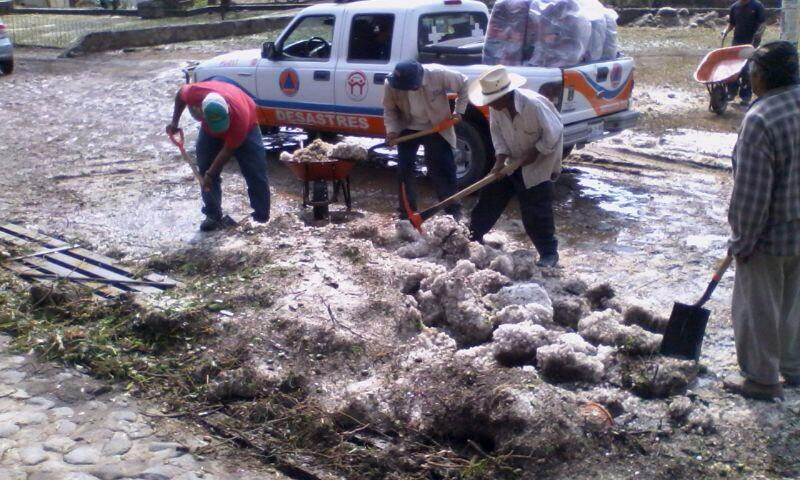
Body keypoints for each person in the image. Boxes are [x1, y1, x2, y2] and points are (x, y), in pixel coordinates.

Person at [723, 41, 800, 402]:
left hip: (771, 235)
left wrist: (742, 241)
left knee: (758, 307)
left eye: (751, 72)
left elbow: (752, 197)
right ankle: (794, 367)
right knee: (794, 303)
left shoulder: (761, 118)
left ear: (759, 78)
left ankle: (763, 379)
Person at [467, 65, 563, 268]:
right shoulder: (497, 109)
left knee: (535, 209)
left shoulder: (534, 105)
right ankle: (472, 237)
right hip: (512, 158)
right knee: (490, 196)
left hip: (539, 161)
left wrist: (534, 153)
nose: (490, 104)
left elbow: (554, 132)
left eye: (492, 100)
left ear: (506, 94)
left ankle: (549, 254)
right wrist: (499, 161)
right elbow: (497, 135)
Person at [166, 80, 270, 232]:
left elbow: (227, 151)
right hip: (209, 131)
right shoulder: (195, 93)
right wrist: (174, 123)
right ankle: (213, 214)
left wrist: (210, 174)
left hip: (247, 126)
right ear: (202, 112)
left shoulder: (240, 119)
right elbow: (180, 94)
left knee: (255, 171)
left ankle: (261, 218)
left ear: (227, 111)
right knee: (205, 164)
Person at [383, 60, 469, 219]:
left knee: (442, 168)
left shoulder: (438, 74)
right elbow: (389, 110)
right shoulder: (391, 84)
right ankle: (406, 214)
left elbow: (465, 83)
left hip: (436, 125)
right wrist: (392, 131)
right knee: (404, 169)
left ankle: (453, 212)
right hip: (406, 127)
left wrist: (459, 111)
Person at [721, 0, 766, 104]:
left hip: (751, 42)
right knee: (733, 67)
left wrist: (759, 33)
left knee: (747, 69)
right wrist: (725, 31)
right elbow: (731, 23)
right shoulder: (734, 7)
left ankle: (745, 96)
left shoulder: (756, 5)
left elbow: (762, 23)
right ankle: (731, 92)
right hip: (737, 41)